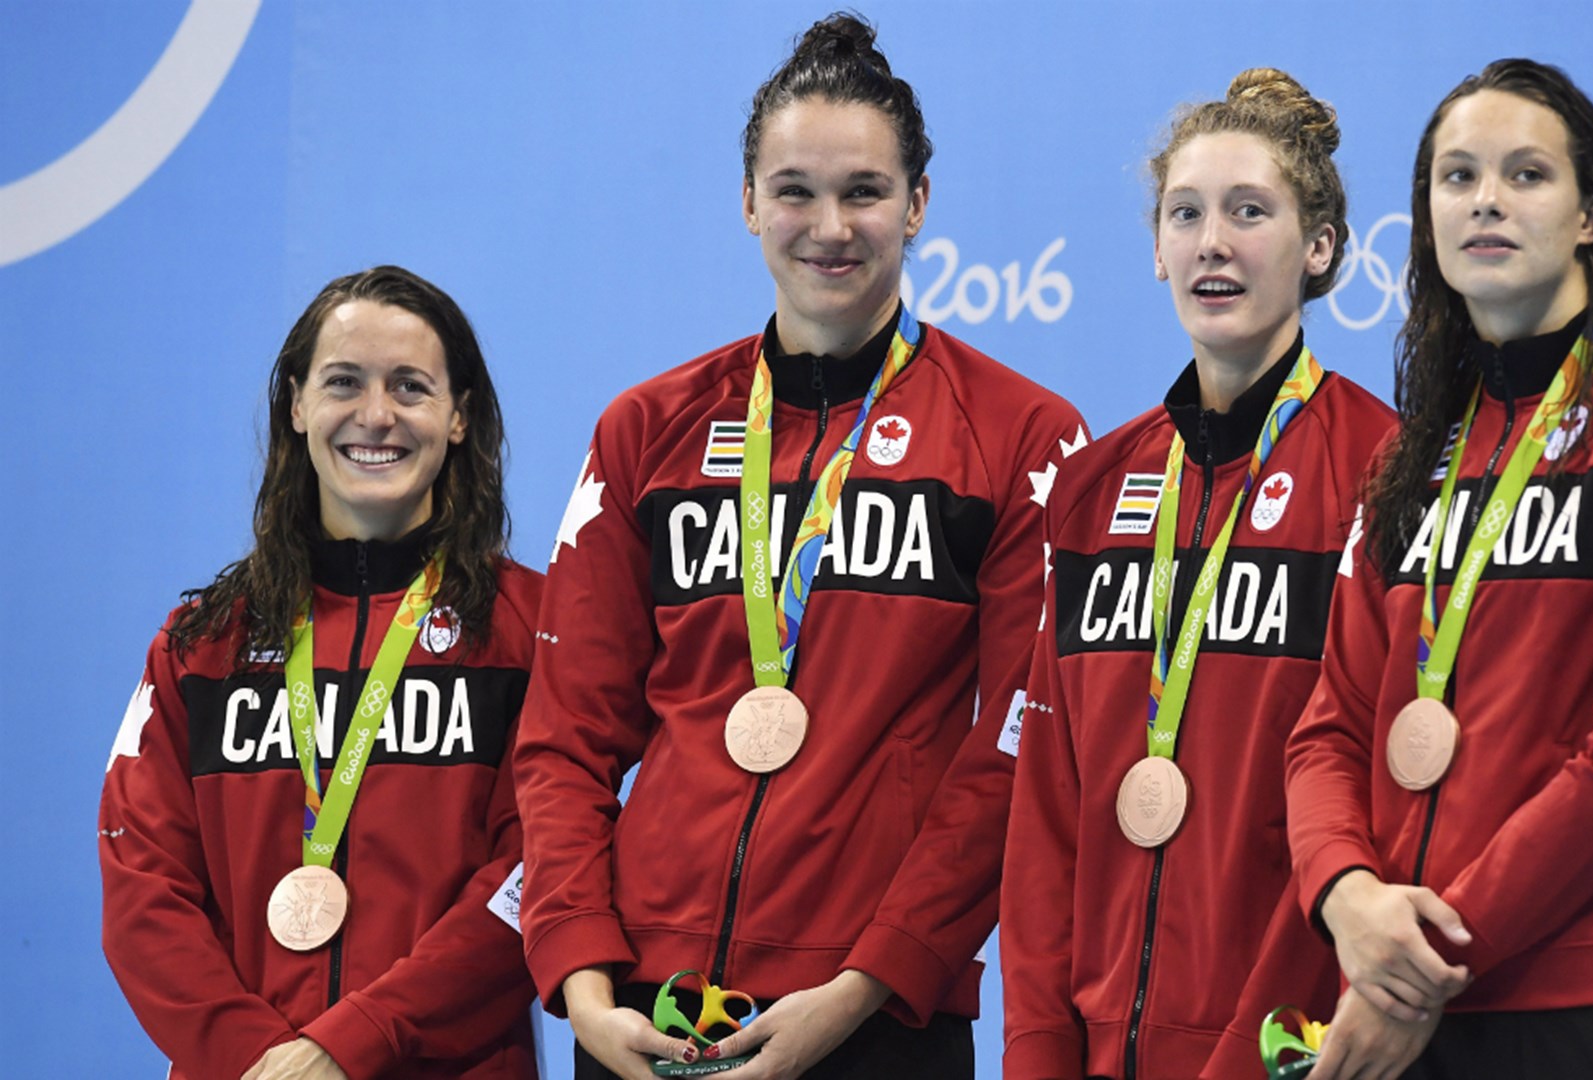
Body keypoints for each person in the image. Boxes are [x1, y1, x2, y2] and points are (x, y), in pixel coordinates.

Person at [512, 12, 1084, 1080]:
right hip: (643, 1010)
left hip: (876, 1016)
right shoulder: (646, 428)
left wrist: (867, 985)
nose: (830, 225)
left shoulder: (1023, 437)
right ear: (746, 204)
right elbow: (566, 735)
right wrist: (582, 980)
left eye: (864, 191)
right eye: (794, 191)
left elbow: (1014, 751)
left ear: (918, 204)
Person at [1286, 59, 1593, 1080]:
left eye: (1527, 175)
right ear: (1425, 219)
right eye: (1457, 178)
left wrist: (1423, 961)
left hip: (1582, 1011)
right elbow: (1328, 724)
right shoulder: (1405, 458)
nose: (1487, 202)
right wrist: (1348, 897)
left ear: (1591, 214)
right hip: (1394, 998)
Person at [999, 68, 1394, 1080]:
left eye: (1248, 212)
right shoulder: (1091, 488)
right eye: (1187, 214)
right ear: (1157, 248)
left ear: (1319, 248)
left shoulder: (1384, 474)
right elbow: (1048, 807)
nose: (1212, 242)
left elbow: (1371, 801)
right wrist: (1040, 1050)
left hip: (1289, 1051)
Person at [99, 265, 544, 1079]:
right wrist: (260, 1059)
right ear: (298, 405)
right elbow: (142, 888)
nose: (376, 416)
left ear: (457, 418)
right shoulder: (199, 645)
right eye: (345, 382)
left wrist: (352, 1045)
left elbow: (537, 873)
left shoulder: (533, 634)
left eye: (411, 387)